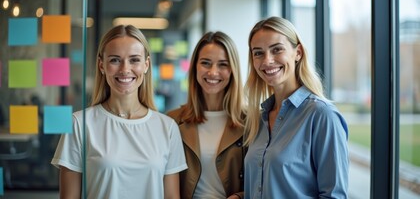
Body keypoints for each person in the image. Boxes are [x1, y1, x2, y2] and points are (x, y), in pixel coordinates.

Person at [51, 25, 187, 199]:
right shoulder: (80, 123)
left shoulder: (167, 127)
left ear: (146, 65)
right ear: (102, 65)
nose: (125, 69)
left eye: (134, 60)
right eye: (115, 60)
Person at [243, 17, 349, 198]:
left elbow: (334, 195)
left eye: (277, 50)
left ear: (298, 52)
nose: (267, 61)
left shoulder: (322, 115)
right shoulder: (258, 119)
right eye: (258, 53)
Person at [167, 31, 246, 199]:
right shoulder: (172, 121)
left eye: (223, 64)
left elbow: (263, 181)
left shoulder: (252, 122)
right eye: (206, 63)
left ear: (233, 70)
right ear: (195, 66)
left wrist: (240, 196)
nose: (213, 72)